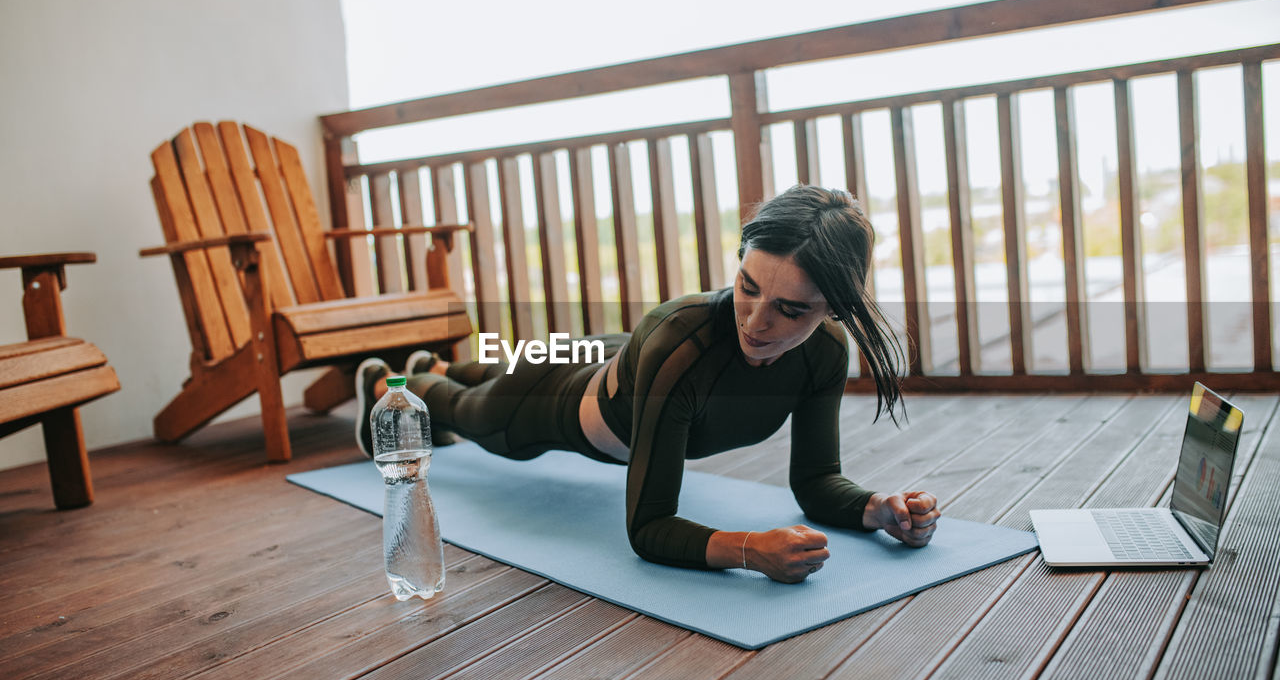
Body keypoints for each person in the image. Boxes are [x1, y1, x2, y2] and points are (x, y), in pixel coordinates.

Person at [355, 184, 940, 583]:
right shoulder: (683, 342)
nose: (757, 324)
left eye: (791, 310)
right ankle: (392, 384)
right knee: (469, 412)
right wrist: (748, 551)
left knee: (490, 369)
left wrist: (876, 511)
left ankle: (437, 366)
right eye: (748, 286)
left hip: (624, 357)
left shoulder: (824, 353)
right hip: (549, 397)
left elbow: (816, 482)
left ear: (831, 308)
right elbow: (648, 527)